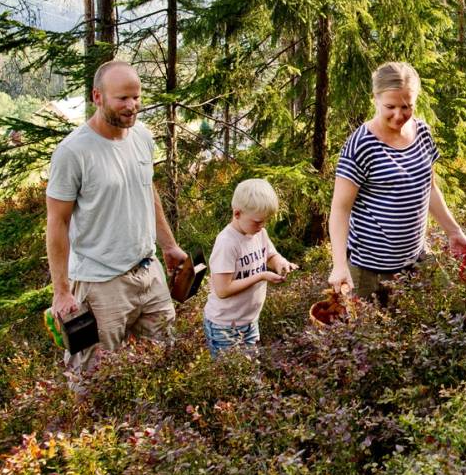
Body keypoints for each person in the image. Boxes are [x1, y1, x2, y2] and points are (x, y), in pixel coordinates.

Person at [46, 60, 188, 381]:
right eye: (122, 98)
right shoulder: (73, 152)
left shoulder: (141, 137)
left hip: (149, 274)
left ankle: (153, 428)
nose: (132, 106)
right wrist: (62, 291)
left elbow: (147, 192)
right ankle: (92, 431)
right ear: (97, 97)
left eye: (136, 97)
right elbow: (57, 223)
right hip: (100, 285)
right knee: (92, 378)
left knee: (165, 363)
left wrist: (169, 246)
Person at [328, 61, 466, 304]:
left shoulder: (423, 133)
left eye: (407, 107)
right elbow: (340, 209)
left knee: (453, 311)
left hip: (415, 258)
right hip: (369, 270)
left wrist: (454, 231)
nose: (399, 115)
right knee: (366, 337)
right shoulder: (360, 145)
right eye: (390, 106)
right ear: (375, 98)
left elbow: (430, 187)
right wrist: (339, 264)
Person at [203, 179, 298, 357]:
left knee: (251, 375)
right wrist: (261, 276)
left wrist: (281, 263)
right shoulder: (227, 243)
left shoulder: (259, 232)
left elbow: (270, 255)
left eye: (265, 221)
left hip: (249, 321)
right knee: (232, 380)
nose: (262, 226)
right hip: (224, 326)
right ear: (237, 213)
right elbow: (223, 290)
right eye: (257, 221)